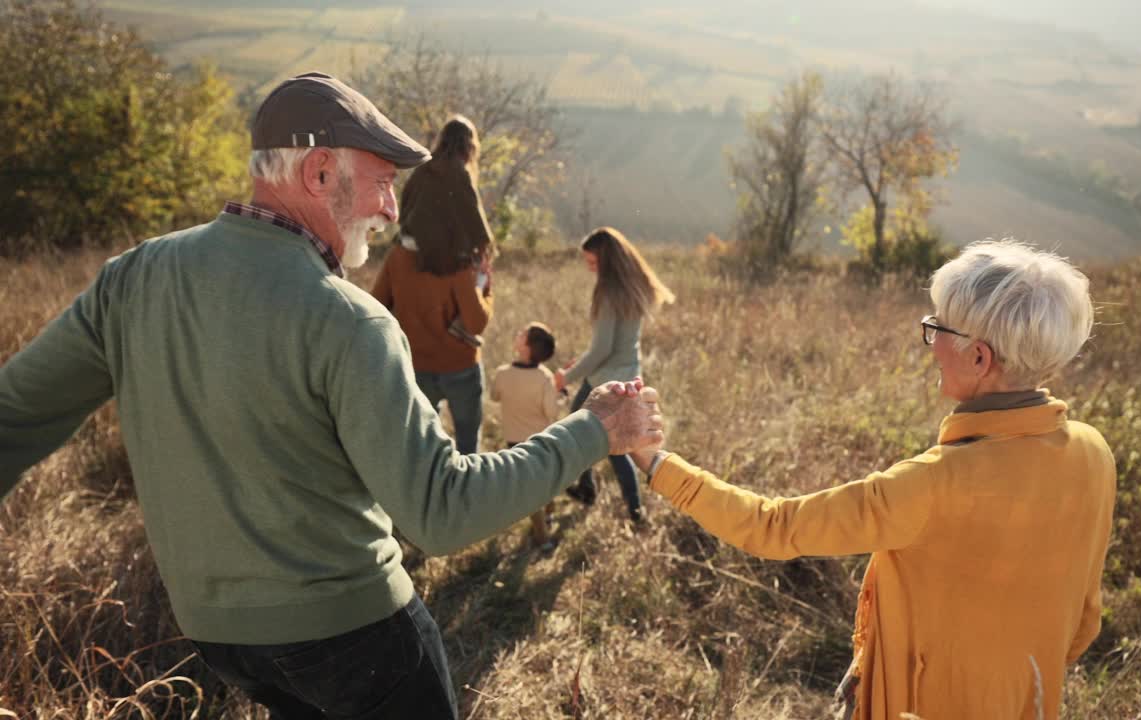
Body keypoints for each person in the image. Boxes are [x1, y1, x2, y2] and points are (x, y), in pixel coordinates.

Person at [0, 72, 664, 720]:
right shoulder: (347, 320)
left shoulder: (132, 278)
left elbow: (13, 414)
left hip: (220, 639)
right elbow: (442, 512)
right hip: (360, 640)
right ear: (319, 173)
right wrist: (594, 429)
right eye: (381, 182)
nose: (392, 209)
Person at [631, 240, 1114, 720]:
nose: (932, 344)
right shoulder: (1093, 452)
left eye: (938, 328)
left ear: (980, 359)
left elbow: (771, 526)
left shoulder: (933, 484)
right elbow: (1084, 623)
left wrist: (654, 461)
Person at [371, 114, 493, 454]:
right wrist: (486, 287)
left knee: (423, 450)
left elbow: (376, 308)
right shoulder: (458, 267)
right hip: (459, 365)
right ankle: (467, 504)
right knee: (469, 447)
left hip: (416, 364)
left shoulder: (399, 258)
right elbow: (477, 322)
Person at [555, 227, 674, 523]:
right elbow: (613, 345)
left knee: (581, 433)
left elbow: (601, 351)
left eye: (593, 263)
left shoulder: (608, 293)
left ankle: (600, 495)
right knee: (620, 448)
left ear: (607, 261)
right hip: (628, 377)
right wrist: (578, 367)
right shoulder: (632, 286)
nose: (589, 269)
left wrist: (564, 377)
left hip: (604, 380)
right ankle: (632, 510)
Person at [490, 322, 563, 550]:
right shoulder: (545, 378)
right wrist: (561, 397)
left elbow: (494, 396)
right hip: (541, 440)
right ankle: (549, 513)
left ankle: (542, 538)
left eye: (523, 334)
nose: (518, 333)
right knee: (546, 479)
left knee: (530, 489)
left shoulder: (502, 374)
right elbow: (551, 412)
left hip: (515, 442)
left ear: (526, 348)